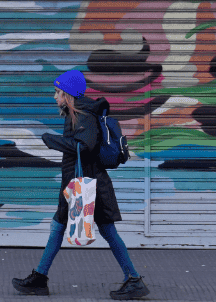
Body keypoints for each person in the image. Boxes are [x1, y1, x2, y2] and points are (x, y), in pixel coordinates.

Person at [11, 69, 150, 300]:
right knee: (58, 226)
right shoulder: (77, 114)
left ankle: (134, 279)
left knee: (107, 231)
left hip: (88, 186)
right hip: (77, 184)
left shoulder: (84, 114)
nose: (55, 97)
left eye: (58, 92)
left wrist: (50, 140)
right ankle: (39, 278)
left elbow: (84, 146)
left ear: (68, 94)